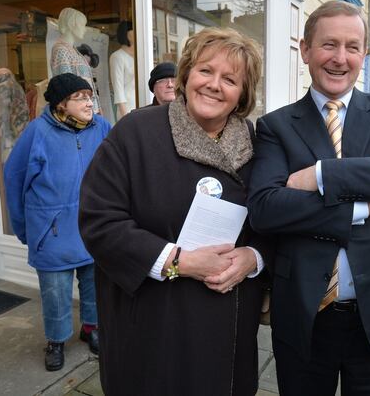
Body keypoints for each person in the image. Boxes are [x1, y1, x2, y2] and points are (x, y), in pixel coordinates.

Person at [247, 0, 370, 396]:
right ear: (305, 50)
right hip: (306, 315)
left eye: (352, 47)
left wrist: (323, 174)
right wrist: (364, 204)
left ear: (363, 54)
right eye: (328, 45)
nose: (340, 58)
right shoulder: (275, 126)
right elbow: (266, 209)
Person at [79, 27, 269, 395]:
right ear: (185, 75)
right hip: (153, 327)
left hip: (228, 329)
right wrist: (178, 261)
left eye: (230, 79)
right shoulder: (136, 132)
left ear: (243, 93)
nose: (214, 85)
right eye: (205, 71)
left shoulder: (256, 143)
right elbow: (98, 220)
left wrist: (254, 257)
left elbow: (274, 220)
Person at [4, 73, 111, 372]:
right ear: (61, 104)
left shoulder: (101, 127)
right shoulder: (37, 132)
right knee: (55, 292)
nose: (89, 102)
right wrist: (24, 229)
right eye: (80, 97)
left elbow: (120, 166)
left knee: (94, 283)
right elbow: (14, 178)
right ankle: (56, 340)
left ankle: (92, 328)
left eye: (90, 96)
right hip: (50, 229)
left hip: (92, 224)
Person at [50, 7, 101, 114]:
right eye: (82, 25)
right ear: (71, 25)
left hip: (88, 110)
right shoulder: (61, 51)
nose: (85, 29)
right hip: (79, 114)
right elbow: (66, 89)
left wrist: (97, 108)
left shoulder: (74, 50)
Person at [110, 20, 136, 120]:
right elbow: (118, 87)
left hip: (142, 102)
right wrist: (125, 114)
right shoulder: (117, 57)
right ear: (127, 34)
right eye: (133, 30)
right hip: (127, 107)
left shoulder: (140, 57)